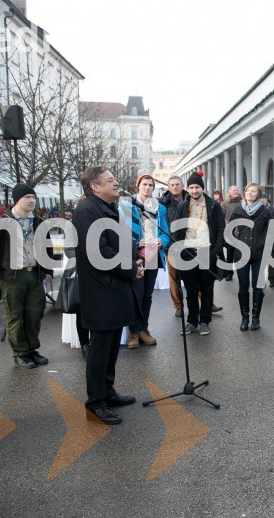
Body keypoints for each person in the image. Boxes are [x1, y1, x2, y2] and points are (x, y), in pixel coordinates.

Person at [73, 167, 142, 425]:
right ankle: (96, 402)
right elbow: (100, 253)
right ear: (94, 186)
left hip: (113, 289)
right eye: (110, 180)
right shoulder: (87, 212)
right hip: (102, 291)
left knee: (112, 346)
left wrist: (134, 261)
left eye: (115, 179)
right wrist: (130, 269)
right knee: (100, 350)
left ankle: (107, 391)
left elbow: (116, 244)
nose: (116, 183)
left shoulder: (103, 208)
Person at [0, 183, 53, 369]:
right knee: (15, 316)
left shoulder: (39, 221)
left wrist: (48, 271)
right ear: (17, 200)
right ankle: (20, 353)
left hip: (34, 275)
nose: (32, 200)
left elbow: (48, 248)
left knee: (34, 315)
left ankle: (32, 349)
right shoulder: (2, 222)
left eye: (33, 197)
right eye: (27, 197)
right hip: (12, 277)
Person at [169, 172, 225, 335]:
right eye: (191, 187)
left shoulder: (213, 205)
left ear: (202, 188)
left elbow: (221, 228)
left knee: (207, 289)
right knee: (191, 290)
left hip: (206, 251)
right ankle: (192, 321)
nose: (194, 191)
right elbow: (177, 229)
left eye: (197, 187)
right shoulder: (183, 206)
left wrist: (215, 251)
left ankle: (205, 321)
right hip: (187, 252)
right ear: (188, 189)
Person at [122, 174, 169, 349]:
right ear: (138, 186)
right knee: (136, 294)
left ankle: (144, 329)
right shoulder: (127, 206)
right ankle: (133, 332)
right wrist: (135, 242)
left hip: (153, 254)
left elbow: (165, 232)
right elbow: (121, 230)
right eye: (144, 184)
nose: (148, 188)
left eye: (151, 185)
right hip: (136, 255)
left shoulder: (160, 209)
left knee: (147, 295)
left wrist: (161, 242)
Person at [230, 183, 271, 331]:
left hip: (258, 254)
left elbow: (272, 229)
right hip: (241, 254)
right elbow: (230, 229)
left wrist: (263, 242)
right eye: (248, 190)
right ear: (244, 193)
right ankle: (245, 317)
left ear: (258, 195)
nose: (250, 193)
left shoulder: (265, 211)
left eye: (254, 191)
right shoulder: (238, 209)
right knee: (243, 286)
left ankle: (255, 318)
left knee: (257, 286)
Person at [161, 175, 186, 317]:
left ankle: (205, 302)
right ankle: (178, 306)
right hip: (171, 245)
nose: (175, 187)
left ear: (182, 186)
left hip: (189, 243)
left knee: (197, 275)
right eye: (172, 185)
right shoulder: (163, 203)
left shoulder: (190, 199)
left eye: (177, 184)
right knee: (174, 276)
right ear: (169, 187)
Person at [220, 185, 242, 280]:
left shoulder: (242, 203)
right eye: (234, 190)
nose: (236, 192)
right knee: (230, 254)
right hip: (229, 231)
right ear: (229, 192)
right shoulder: (224, 204)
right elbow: (221, 218)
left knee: (241, 254)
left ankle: (242, 273)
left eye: (237, 190)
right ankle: (229, 273)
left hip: (241, 231)